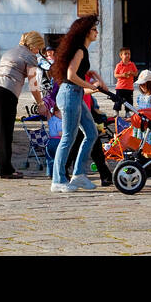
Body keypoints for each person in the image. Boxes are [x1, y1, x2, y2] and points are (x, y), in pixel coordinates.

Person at [50, 15, 102, 194]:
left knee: (91, 132)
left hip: (76, 95)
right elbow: (71, 76)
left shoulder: (83, 51)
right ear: (86, 32)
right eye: (94, 29)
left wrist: (92, 87)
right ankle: (58, 180)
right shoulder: (79, 50)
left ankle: (79, 174)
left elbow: (78, 83)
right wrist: (90, 85)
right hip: (69, 95)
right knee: (68, 137)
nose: (96, 32)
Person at [0, 31, 46, 180]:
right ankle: (6, 169)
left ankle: (2, 167)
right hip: (8, 92)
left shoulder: (11, 51)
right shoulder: (29, 56)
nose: (38, 51)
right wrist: (40, 103)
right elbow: (33, 85)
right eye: (39, 47)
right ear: (34, 45)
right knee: (6, 131)